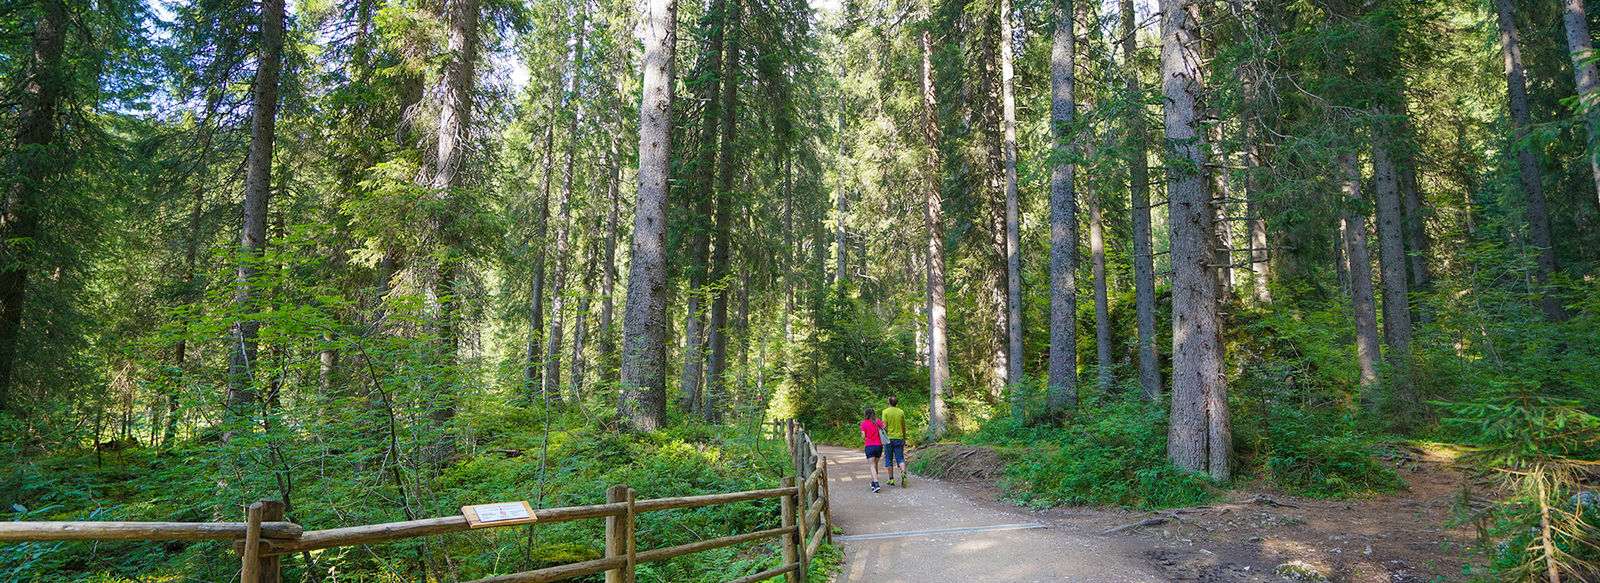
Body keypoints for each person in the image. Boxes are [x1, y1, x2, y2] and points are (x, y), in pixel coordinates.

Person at [882, 396, 908, 487]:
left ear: (889, 402)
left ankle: (891, 480)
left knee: (888, 459)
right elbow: (903, 426)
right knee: (900, 458)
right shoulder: (901, 412)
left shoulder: (885, 412)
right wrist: (904, 438)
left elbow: (884, 427)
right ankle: (903, 472)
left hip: (889, 438)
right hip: (899, 437)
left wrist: (883, 439)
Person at [860, 406, 886, 492]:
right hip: (879, 446)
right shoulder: (878, 421)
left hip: (869, 446)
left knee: (872, 465)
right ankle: (874, 482)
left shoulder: (864, 423)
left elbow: (863, 437)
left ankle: (876, 483)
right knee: (875, 465)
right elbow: (884, 429)